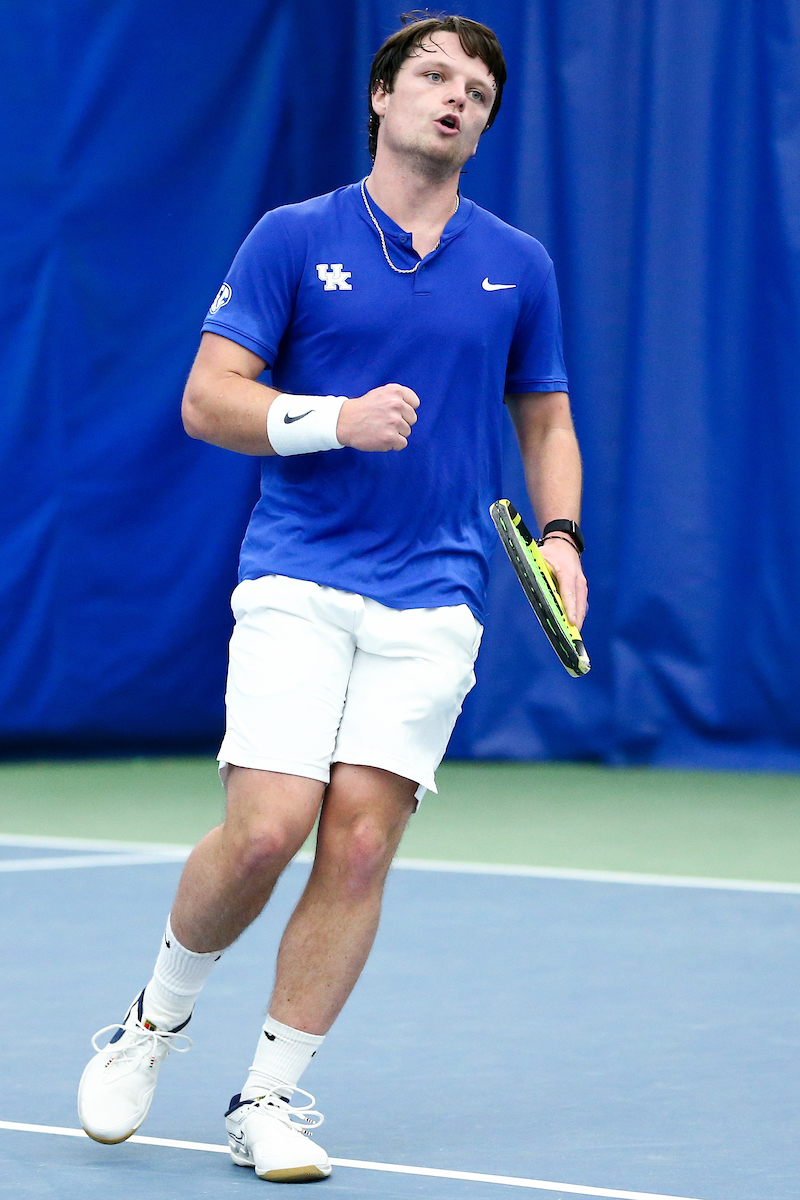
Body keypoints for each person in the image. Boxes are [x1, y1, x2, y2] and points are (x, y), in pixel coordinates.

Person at [77, 13, 588, 1184]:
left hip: (437, 594)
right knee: (266, 832)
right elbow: (209, 402)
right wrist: (332, 422)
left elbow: (545, 418)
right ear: (379, 96)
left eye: (475, 90)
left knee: (357, 849)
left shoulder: (519, 261)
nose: (453, 99)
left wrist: (559, 536)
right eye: (430, 76)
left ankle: (269, 1095)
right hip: (300, 573)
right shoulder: (292, 238)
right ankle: (150, 1024)